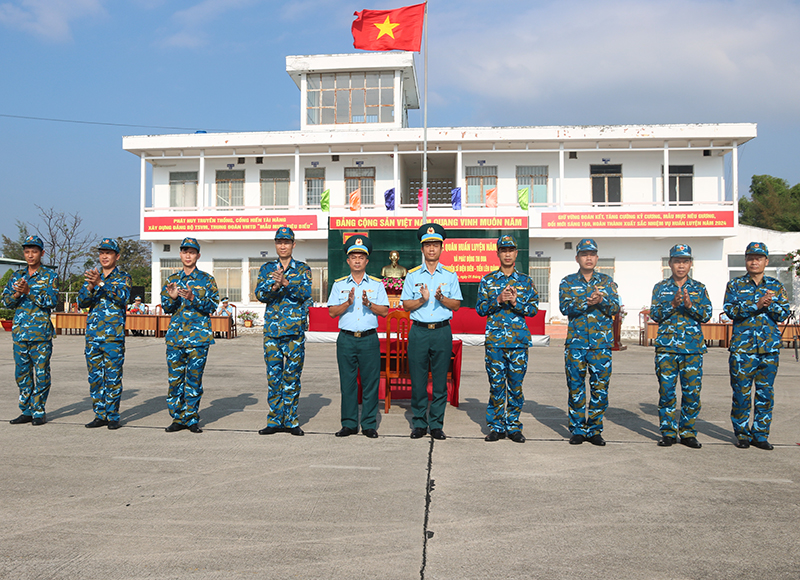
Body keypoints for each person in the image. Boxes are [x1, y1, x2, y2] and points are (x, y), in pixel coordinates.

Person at [723, 242, 790, 450]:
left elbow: (783, 313)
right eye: (751, 258)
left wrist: (771, 305)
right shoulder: (735, 285)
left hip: (768, 349)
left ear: (766, 261)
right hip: (743, 350)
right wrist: (756, 304)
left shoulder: (775, 286)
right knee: (741, 393)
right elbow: (730, 311)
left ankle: (760, 435)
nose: (754, 262)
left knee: (765, 393)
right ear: (746, 260)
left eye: (759, 258)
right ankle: (742, 433)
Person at [401, 223, 462, 440]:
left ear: (441, 248)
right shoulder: (413, 275)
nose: (432, 249)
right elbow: (406, 306)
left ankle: (436, 424)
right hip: (418, 332)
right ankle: (419, 423)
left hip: (441, 332)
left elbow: (456, 305)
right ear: (422, 249)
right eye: (427, 245)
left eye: (435, 245)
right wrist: (422, 299)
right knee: (417, 380)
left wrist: (441, 299)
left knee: (439, 380)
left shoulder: (450, 275)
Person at [476, 234, 539, 443]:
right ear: (498, 254)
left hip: (518, 342)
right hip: (495, 342)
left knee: (515, 386)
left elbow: (532, 310)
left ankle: (513, 426)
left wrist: (514, 303)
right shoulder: (488, 280)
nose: (507, 254)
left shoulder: (525, 281)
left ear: (516, 253)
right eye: (503, 250)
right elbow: (480, 309)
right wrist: (498, 299)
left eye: (511, 250)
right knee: (496, 386)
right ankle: (496, 426)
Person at [649, 244, 712, 449]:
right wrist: (673, 304)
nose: (681, 266)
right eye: (677, 261)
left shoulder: (699, 288)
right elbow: (655, 315)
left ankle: (687, 432)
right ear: (670, 264)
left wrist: (690, 305)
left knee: (692, 392)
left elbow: (706, 315)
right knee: (667, 392)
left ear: (690, 264)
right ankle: (668, 432)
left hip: (692, 349)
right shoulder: (660, 288)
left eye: (685, 261)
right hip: (667, 348)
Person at [559, 238, 620, 446]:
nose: (588, 258)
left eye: (592, 254)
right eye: (584, 254)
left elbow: (615, 309)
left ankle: (594, 429)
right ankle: (577, 429)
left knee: (600, 388)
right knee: (576, 387)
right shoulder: (567, 282)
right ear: (577, 258)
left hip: (600, 345)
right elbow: (565, 308)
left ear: (597, 257)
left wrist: (601, 300)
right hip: (576, 344)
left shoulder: (607, 282)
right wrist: (586, 301)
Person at [328, 235, 389, 438]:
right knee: (348, 383)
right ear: (348, 261)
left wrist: (368, 303)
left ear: (367, 261)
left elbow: (384, 311)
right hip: (346, 339)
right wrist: (347, 302)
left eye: (361, 257)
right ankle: (349, 424)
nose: (357, 260)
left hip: (369, 339)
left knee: (371, 383)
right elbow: (332, 312)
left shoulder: (377, 284)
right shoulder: (339, 285)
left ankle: (369, 424)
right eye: (353, 257)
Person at [255, 226, 312, 436]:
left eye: (286, 242)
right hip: (272, 333)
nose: (283, 245)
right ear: (275, 244)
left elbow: (305, 294)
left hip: (294, 333)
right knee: (274, 377)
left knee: (292, 377)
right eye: (279, 242)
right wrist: (275, 287)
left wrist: (286, 283)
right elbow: (260, 294)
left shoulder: (303, 269)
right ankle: (274, 420)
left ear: (293, 245)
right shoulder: (266, 269)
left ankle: (291, 421)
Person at [160, 237, 219, 434]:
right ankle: (178, 418)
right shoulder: (171, 280)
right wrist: (172, 298)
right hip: (176, 338)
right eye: (185, 251)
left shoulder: (207, 280)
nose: (188, 255)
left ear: (198, 255)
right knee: (175, 380)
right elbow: (167, 308)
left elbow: (212, 306)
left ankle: (192, 418)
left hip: (198, 339)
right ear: (180, 254)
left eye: (192, 252)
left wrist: (194, 298)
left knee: (194, 379)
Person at [2, 235, 59, 426]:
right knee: (22, 374)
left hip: (40, 334)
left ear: (41, 253)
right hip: (20, 333)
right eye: (27, 252)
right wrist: (17, 293)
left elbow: (51, 301)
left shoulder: (50, 276)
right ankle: (25, 410)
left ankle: (39, 411)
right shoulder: (16, 276)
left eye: (34, 251)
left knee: (42, 373)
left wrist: (29, 292)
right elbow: (6, 302)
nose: (30, 255)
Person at [77, 238, 131, 430]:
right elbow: (81, 302)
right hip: (93, 336)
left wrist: (101, 283)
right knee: (95, 377)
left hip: (112, 337)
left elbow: (122, 297)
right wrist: (91, 285)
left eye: (108, 253)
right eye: (101, 253)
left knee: (113, 377)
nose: (104, 256)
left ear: (116, 256)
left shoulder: (123, 278)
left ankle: (113, 415)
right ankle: (100, 414)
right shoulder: (92, 276)